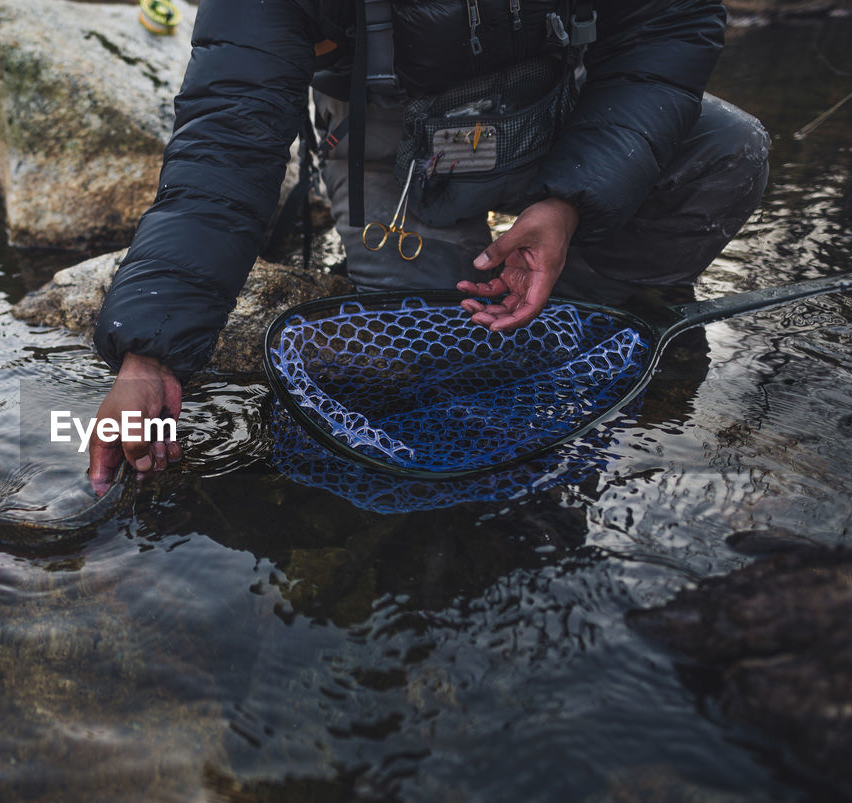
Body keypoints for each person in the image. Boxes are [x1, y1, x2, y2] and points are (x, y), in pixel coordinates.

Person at [86, 0, 770, 494]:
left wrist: (569, 201)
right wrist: (150, 350)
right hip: (394, 131)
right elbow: (226, 144)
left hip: (558, 97)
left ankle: (583, 309)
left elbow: (668, 31)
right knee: (434, 360)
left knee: (729, 151)